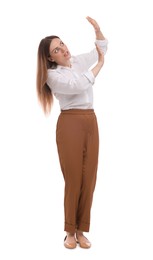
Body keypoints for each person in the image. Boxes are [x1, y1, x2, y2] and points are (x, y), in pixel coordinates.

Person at [36, 16, 108, 249]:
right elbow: (78, 85)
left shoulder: (77, 61)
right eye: (57, 49)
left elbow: (100, 49)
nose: (63, 50)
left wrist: (97, 31)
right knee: (74, 177)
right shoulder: (52, 76)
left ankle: (81, 229)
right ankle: (69, 231)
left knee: (89, 178)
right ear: (50, 57)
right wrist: (99, 66)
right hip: (70, 123)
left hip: (91, 121)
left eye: (62, 44)